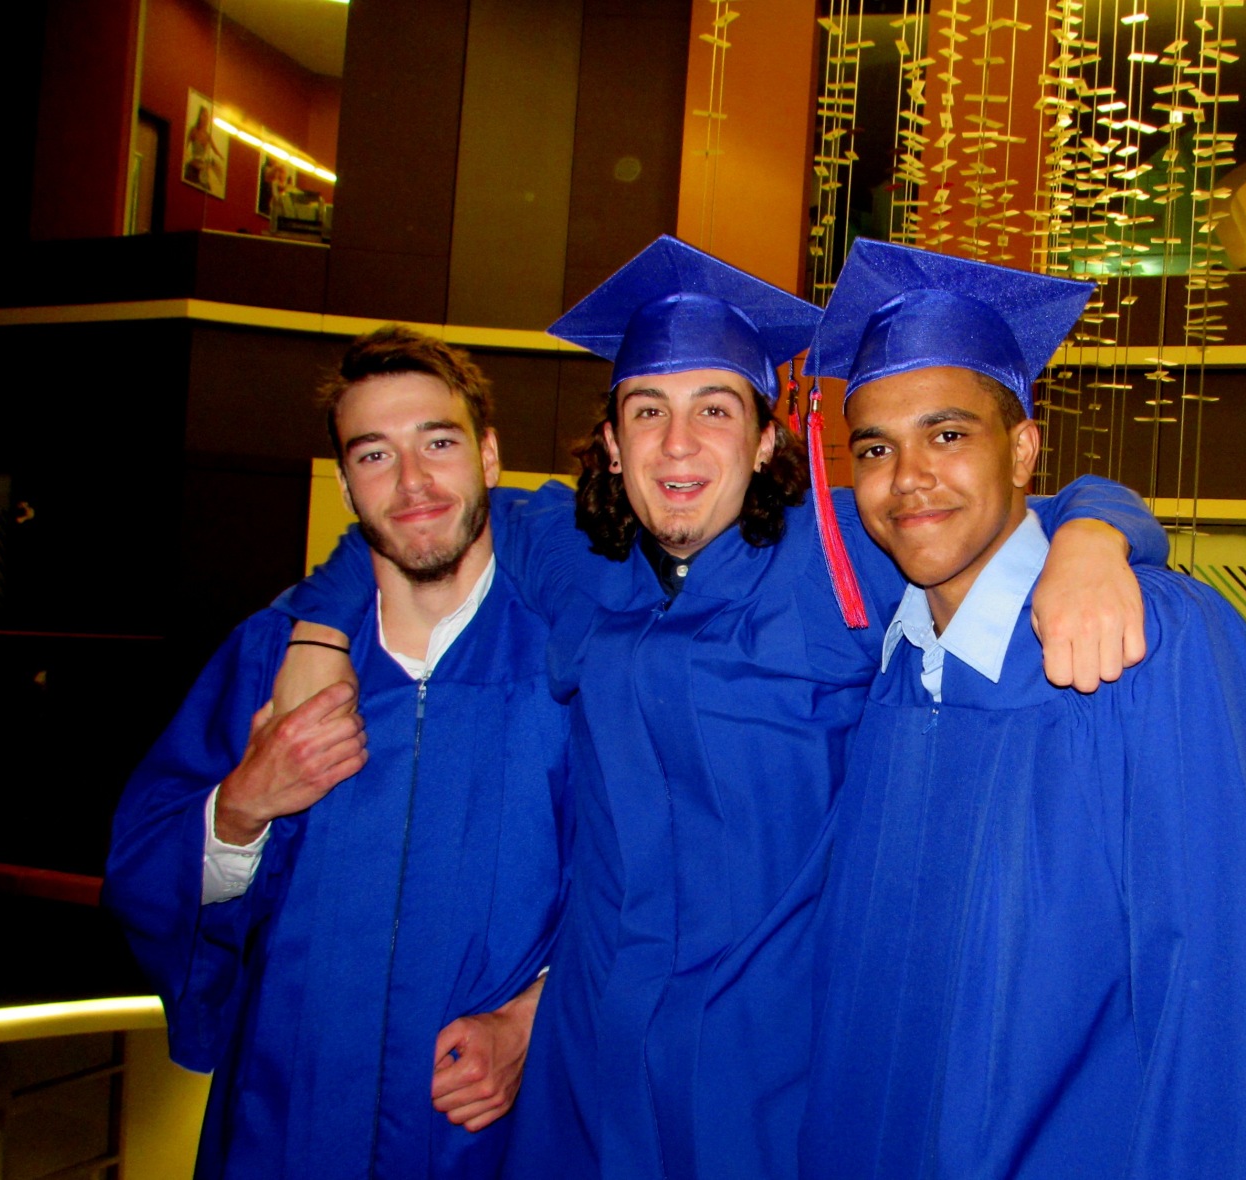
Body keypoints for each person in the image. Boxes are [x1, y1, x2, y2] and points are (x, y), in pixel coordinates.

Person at [269, 235, 1169, 1180]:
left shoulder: (845, 557)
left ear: (766, 439)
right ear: (612, 445)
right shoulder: (574, 557)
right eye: (647, 412)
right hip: (590, 1061)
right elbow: (419, 514)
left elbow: (1011, 509)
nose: (678, 444)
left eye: (714, 409)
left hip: (775, 1073)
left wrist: (1098, 535)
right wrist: (318, 630)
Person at [797, 239, 1246, 1179]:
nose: (908, 478)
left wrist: (1099, 531)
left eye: (947, 436)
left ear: (1023, 449)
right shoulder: (895, 665)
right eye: (875, 448)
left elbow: (1236, 993)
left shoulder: (1153, 642)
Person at [103, 328, 567, 1178]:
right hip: (290, 1113)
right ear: (347, 484)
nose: (413, 481)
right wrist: (240, 807)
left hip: (490, 1127)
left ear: (490, 457)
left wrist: (537, 1015)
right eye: (374, 455)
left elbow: (648, 883)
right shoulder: (270, 656)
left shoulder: (574, 660)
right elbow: (145, 869)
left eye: (438, 442)